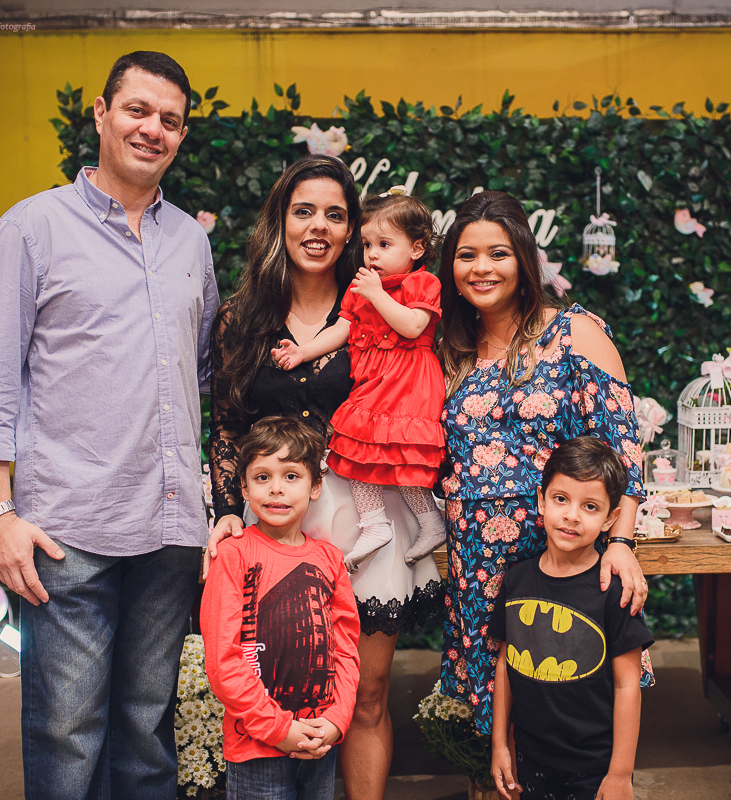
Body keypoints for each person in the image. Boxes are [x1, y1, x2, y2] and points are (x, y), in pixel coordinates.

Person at [0, 51, 219, 799]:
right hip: (66, 529)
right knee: (66, 733)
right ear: (102, 114)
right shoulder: (33, 227)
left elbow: (194, 373)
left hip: (169, 527)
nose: (153, 129)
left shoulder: (190, 243)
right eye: (137, 110)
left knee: (147, 727)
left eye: (170, 120)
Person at [206, 155, 442, 800]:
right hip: (278, 517)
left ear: (352, 230)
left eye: (335, 215)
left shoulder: (378, 302)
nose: (318, 226)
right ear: (279, 220)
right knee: (276, 683)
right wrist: (229, 507)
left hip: (367, 511)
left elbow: (423, 389)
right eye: (303, 211)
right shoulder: (242, 315)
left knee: (363, 693)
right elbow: (225, 423)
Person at [438, 190, 651, 737]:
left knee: (574, 709)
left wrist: (622, 542)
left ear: (525, 260)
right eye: (467, 255)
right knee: (503, 717)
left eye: (498, 253)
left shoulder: (575, 332)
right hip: (481, 566)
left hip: (563, 555)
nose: (481, 268)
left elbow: (622, 450)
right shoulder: (450, 349)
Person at [272, 187, 446, 572]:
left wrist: (377, 294)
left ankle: (432, 521)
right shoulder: (363, 285)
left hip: (407, 383)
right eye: (368, 244)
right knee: (352, 449)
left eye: (385, 244)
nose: (373, 254)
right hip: (373, 385)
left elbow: (414, 326)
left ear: (416, 249)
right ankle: (374, 523)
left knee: (404, 457)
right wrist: (302, 351)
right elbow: (341, 330)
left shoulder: (422, 284)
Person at [201, 416, 360, 800]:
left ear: (316, 486)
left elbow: (345, 647)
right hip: (256, 746)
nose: (276, 489)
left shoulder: (329, 559)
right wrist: (277, 729)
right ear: (243, 485)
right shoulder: (233, 555)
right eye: (262, 477)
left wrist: (337, 720)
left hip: (320, 739)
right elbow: (224, 659)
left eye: (291, 476)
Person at [490, 437, 654, 800]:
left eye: (590, 506)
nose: (571, 515)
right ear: (541, 500)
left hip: (593, 766)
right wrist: (500, 744)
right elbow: (505, 662)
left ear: (612, 518)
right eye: (560, 499)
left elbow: (628, 686)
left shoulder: (614, 591)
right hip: (529, 758)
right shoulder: (517, 580)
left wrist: (620, 773)